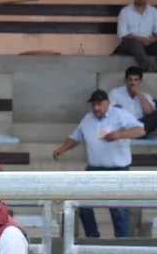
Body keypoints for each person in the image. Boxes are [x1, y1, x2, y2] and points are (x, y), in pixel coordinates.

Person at [52, 89, 146, 238]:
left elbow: (140, 130)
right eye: (94, 104)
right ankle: (93, 237)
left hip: (118, 170)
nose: (96, 108)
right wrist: (62, 149)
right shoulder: (87, 119)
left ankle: (121, 243)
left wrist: (120, 135)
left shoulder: (119, 114)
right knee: (81, 202)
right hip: (94, 168)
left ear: (107, 103)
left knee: (118, 209)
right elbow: (76, 137)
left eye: (99, 104)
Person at [113, 0, 157, 72]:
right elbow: (123, 34)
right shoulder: (125, 11)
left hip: (148, 43)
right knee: (135, 43)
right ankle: (148, 68)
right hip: (130, 42)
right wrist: (141, 40)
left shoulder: (153, 11)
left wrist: (151, 40)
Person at [108, 66, 157, 137]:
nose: (133, 83)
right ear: (126, 80)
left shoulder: (145, 96)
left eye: (136, 80)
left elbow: (150, 113)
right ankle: (126, 134)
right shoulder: (115, 93)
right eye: (130, 80)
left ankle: (135, 134)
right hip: (123, 126)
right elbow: (109, 113)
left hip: (140, 126)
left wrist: (140, 95)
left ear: (140, 81)